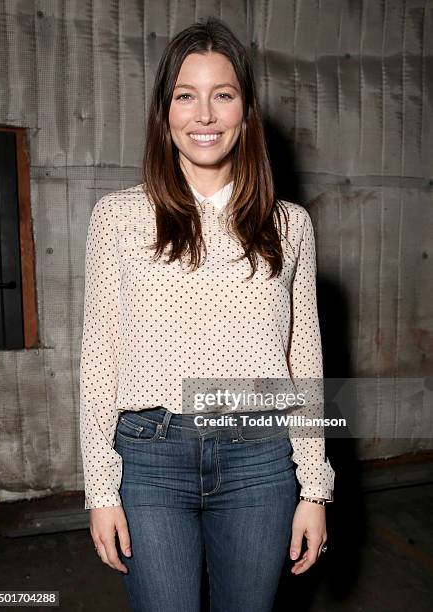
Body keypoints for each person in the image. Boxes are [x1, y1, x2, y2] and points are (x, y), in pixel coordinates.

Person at [79, 16, 335, 612]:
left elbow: (305, 363)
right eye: (185, 96)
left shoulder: (289, 225)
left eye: (223, 95)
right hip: (149, 457)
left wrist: (315, 489)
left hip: (261, 458)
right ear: (164, 114)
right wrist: (101, 487)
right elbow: (98, 360)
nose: (205, 114)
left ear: (245, 113)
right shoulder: (116, 218)